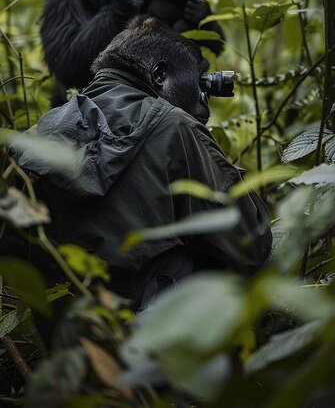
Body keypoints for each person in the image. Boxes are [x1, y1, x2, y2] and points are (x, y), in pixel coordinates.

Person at [15, 16, 272, 310]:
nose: (203, 96)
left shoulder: (38, 134)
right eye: (198, 78)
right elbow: (253, 243)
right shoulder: (173, 126)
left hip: (65, 329)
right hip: (152, 332)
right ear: (160, 75)